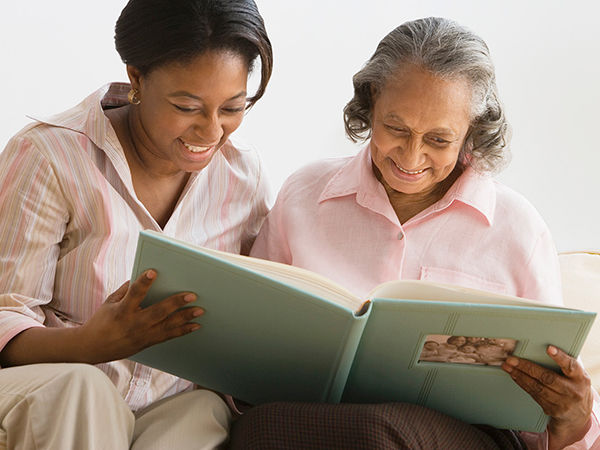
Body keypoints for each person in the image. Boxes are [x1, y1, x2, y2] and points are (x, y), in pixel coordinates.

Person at [232, 17, 600, 450]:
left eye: (439, 140)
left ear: (471, 133)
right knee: (262, 427)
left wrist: (574, 420)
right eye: (396, 129)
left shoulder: (517, 228)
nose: (411, 156)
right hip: (313, 417)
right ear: (371, 103)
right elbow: (245, 337)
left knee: (374, 432)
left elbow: (548, 412)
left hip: (472, 435)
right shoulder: (305, 195)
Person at [0, 0, 272, 448]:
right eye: (187, 106)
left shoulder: (244, 178)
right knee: (84, 391)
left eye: (232, 108)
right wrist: (89, 344)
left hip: (170, 401)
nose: (211, 132)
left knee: (202, 412)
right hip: (58, 388)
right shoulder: (49, 156)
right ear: (137, 78)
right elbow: (6, 316)